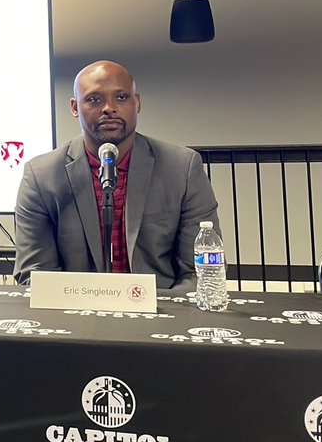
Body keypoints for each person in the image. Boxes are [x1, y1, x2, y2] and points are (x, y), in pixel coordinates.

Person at [13, 60, 220, 289]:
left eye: (121, 97)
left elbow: (200, 271)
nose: (108, 108)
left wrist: (162, 314)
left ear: (137, 103)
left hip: (161, 314)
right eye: (94, 99)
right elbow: (35, 275)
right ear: (74, 107)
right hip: (76, 315)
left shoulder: (182, 167)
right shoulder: (41, 175)